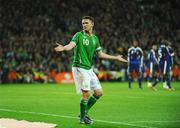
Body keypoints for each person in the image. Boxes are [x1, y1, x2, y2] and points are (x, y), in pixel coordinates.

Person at [54, 16, 127, 124]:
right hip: (79, 67)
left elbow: (101, 54)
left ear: (92, 24)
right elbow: (71, 45)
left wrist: (115, 57)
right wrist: (64, 48)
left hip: (89, 68)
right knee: (86, 94)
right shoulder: (79, 35)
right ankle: (83, 118)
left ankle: (84, 113)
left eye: (86, 23)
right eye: (83, 23)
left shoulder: (95, 39)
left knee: (98, 93)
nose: (84, 25)